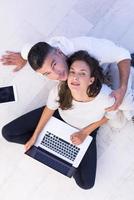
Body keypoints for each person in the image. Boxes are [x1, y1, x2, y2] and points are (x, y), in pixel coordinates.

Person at [2, 51, 132, 189]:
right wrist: (35, 137)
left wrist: (84, 133)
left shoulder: (106, 97)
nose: (75, 78)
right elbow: (49, 109)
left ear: (91, 80)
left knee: (86, 184)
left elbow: (108, 117)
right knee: (8, 133)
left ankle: (62, 150)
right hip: (58, 118)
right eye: (72, 72)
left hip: (86, 129)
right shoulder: (61, 89)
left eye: (82, 73)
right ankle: (53, 146)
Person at [0, 36, 131, 111]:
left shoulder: (86, 47)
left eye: (54, 64)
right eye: (47, 73)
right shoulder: (43, 66)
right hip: (89, 80)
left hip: (108, 67)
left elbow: (123, 55)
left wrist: (123, 88)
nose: (56, 74)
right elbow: (27, 49)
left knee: (123, 102)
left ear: (59, 52)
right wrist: (23, 57)